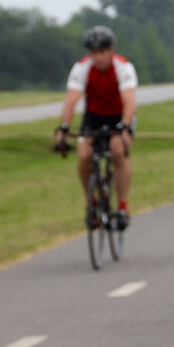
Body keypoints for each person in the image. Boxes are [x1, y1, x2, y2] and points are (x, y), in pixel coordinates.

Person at [55, 25, 137, 230]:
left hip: (119, 116)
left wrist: (125, 127)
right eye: (93, 52)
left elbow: (129, 101)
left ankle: (123, 206)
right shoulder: (82, 68)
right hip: (94, 116)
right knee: (84, 155)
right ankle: (91, 203)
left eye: (102, 51)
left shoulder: (123, 67)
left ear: (111, 50)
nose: (98, 57)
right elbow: (71, 100)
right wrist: (64, 126)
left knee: (117, 150)